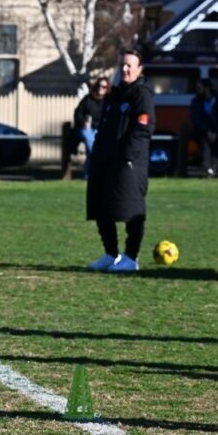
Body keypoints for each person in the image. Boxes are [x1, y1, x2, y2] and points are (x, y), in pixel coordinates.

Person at [86, 48, 155, 274]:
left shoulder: (142, 94)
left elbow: (143, 128)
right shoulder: (114, 94)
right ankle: (111, 253)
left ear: (139, 69)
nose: (125, 69)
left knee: (130, 208)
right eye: (122, 65)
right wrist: (97, 152)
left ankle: (131, 257)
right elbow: (104, 126)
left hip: (129, 162)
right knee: (102, 205)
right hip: (105, 160)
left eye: (129, 65)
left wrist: (128, 156)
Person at [189, 78, 218, 177]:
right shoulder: (196, 101)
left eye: (200, 88)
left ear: (206, 88)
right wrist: (207, 131)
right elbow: (196, 118)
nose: (198, 90)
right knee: (205, 143)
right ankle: (207, 167)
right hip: (203, 131)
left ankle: (212, 168)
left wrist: (216, 132)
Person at [73, 77, 109, 178]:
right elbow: (78, 113)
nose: (101, 88)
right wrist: (83, 122)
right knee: (92, 147)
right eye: (99, 86)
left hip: (102, 129)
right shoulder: (88, 99)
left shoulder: (108, 101)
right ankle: (90, 173)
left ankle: (90, 173)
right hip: (87, 128)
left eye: (104, 87)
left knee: (100, 149)